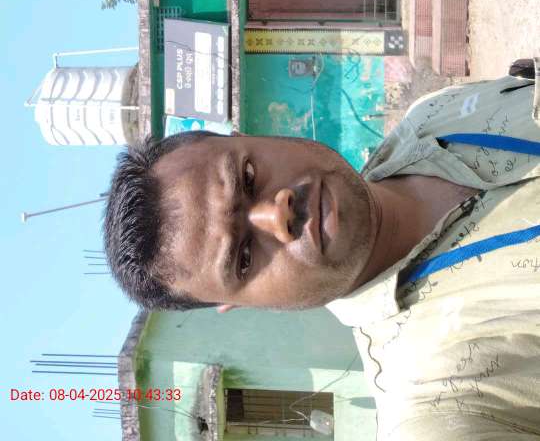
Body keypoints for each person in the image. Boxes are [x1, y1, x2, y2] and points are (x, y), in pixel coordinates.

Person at [104, 71, 540, 439]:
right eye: (243, 258)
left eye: (248, 176)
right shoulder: (437, 404)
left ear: (245, 136)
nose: (277, 215)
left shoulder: (432, 114)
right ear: (237, 304)